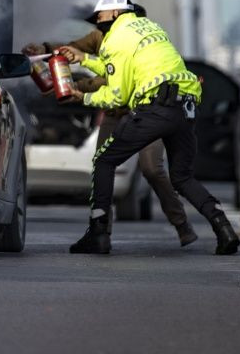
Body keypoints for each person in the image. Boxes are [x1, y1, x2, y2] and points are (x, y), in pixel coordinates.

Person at [55, 0, 239, 256]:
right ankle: (224, 228)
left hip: (154, 109)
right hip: (185, 108)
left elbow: (117, 95)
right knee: (182, 177)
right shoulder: (151, 29)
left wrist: (82, 96)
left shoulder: (115, 39)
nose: (97, 23)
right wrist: (83, 59)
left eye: (100, 17)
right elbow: (120, 66)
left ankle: (98, 234)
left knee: (104, 161)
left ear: (115, 13)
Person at [23, 15, 199, 248]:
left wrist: (77, 88)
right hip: (113, 112)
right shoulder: (101, 35)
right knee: (102, 165)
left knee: (152, 169)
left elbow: (110, 81)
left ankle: (182, 224)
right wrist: (45, 49)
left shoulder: (139, 43)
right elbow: (72, 49)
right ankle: (100, 232)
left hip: (144, 112)